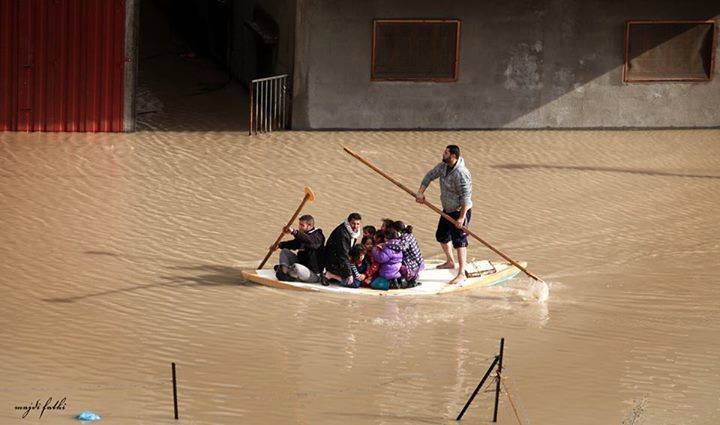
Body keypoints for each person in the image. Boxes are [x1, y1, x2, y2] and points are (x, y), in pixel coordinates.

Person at [415, 145, 473, 285]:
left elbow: (466, 197)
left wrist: (461, 218)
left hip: (460, 210)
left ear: (453, 156)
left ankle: (461, 273)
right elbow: (429, 176)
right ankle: (450, 261)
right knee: (441, 235)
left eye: (446, 153)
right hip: (447, 209)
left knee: (459, 241)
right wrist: (420, 192)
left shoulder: (461, 173)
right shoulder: (443, 166)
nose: (443, 154)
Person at [274, 214, 325, 283]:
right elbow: (294, 244)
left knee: (297, 267)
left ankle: (286, 271)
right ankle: (284, 272)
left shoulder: (318, 236)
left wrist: (294, 232)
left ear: (309, 226)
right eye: (299, 224)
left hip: (313, 273)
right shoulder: (303, 234)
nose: (299, 227)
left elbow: (309, 240)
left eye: (302, 225)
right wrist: (279, 245)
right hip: (301, 264)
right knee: (284, 251)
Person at [323, 212, 362, 285]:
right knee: (355, 283)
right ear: (348, 222)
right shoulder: (342, 233)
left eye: (358, 224)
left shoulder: (352, 232)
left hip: (339, 260)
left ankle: (334, 276)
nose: (355, 226)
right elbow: (343, 254)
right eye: (353, 223)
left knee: (357, 277)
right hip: (333, 262)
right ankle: (330, 275)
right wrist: (349, 274)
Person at [391, 221, 425, 287]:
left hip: (415, 263)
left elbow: (402, 247)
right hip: (419, 261)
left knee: (399, 265)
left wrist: (388, 244)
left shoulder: (405, 237)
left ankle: (410, 278)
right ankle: (413, 277)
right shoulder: (409, 234)